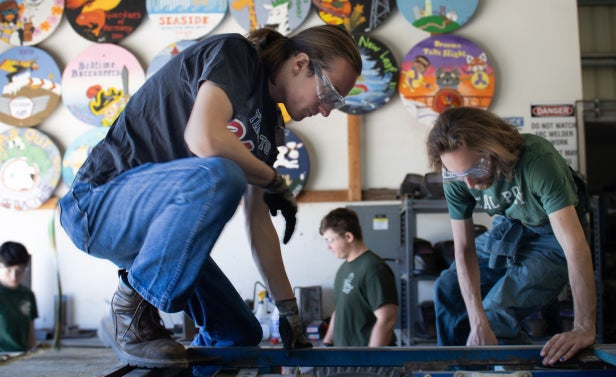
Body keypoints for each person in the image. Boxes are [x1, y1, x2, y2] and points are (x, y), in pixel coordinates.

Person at [58, 25, 362, 371]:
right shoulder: (236, 55)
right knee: (222, 173)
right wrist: (273, 179)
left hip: (154, 236)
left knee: (238, 334)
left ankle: (164, 345)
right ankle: (130, 312)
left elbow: (258, 222)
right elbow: (203, 137)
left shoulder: (268, 131)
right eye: (330, 93)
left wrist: (288, 310)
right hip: (97, 205)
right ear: (300, 64)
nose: (326, 110)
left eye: (337, 103)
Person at [426, 107, 596, 366]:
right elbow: (463, 249)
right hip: (513, 226)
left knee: (495, 313)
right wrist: (475, 320)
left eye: (475, 169)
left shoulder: (537, 159)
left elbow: (575, 247)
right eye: (458, 174)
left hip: (553, 234)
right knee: (447, 288)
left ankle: (518, 372)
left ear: (493, 149)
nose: (469, 184)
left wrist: (584, 326)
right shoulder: (459, 175)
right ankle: (461, 371)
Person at [319, 208, 398, 347]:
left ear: (348, 237)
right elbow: (339, 310)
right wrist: (327, 342)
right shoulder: (343, 269)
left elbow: (386, 320)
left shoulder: (374, 269)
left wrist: (370, 361)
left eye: (330, 240)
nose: (328, 247)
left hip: (365, 363)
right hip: (344, 359)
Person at [0, 241, 38, 352]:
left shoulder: (27, 294)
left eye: (19, 271)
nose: (14, 276)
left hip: (22, 357)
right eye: (9, 270)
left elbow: (31, 336)